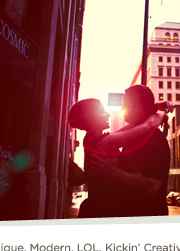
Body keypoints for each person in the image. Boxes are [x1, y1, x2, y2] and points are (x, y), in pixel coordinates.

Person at [67, 97, 171, 218]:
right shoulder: (103, 143)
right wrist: (162, 113)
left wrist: (154, 107)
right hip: (101, 212)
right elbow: (149, 125)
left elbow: (133, 126)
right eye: (101, 112)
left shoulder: (96, 139)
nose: (107, 114)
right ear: (90, 118)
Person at [114, 85, 171, 217]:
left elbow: (151, 186)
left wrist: (115, 172)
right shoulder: (136, 136)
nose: (122, 109)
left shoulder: (153, 139)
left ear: (138, 107)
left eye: (125, 105)